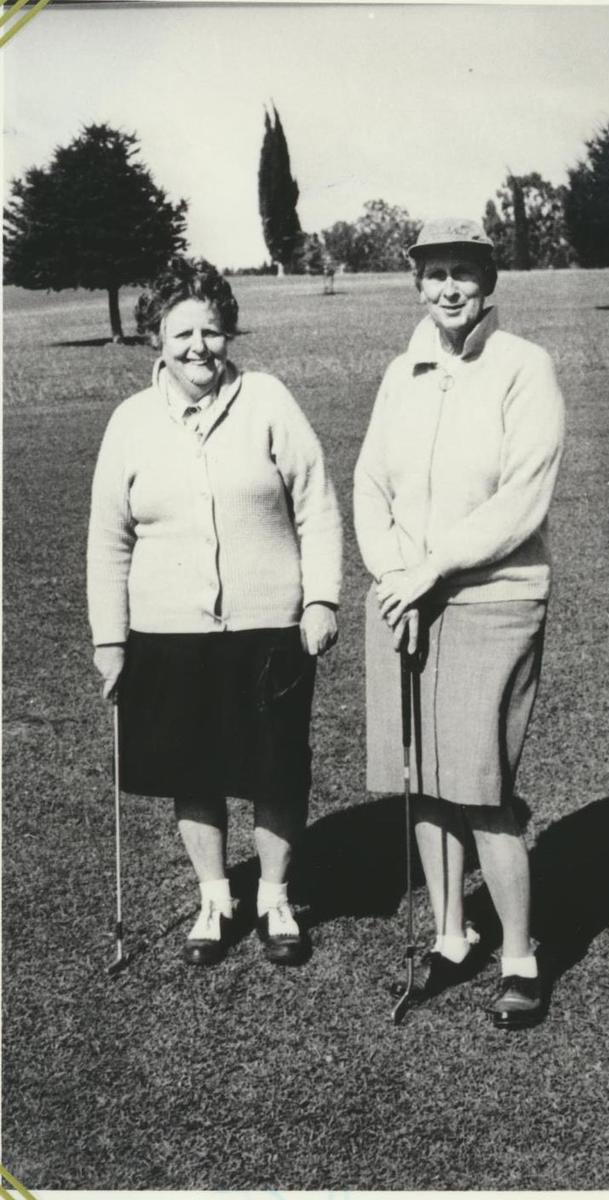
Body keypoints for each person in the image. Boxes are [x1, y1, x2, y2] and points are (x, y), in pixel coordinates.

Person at [87, 256, 342, 967]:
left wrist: (320, 597)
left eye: (213, 330)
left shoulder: (266, 399)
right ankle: (213, 898)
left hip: (268, 628)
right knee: (190, 770)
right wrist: (111, 642)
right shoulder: (131, 422)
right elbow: (107, 539)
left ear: (229, 333)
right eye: (182, 332)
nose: (199, 346)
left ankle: (275, 898)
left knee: (274, 771)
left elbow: (316, 503)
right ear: (155, 341)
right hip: (165, 633)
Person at [353, 218, 564, 1028]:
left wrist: (430, 570)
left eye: (464, 273)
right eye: (434, 272)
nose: (448, 288)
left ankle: (519, 955)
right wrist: (393, 575)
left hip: (492, 597)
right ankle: (450, 935)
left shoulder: (524, 367)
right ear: (415, 282)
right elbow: (370, 481)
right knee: (423, 782)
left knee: (480, 788)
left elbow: (522, 500)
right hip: (403, 595)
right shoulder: (400, 372)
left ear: (490, 281)